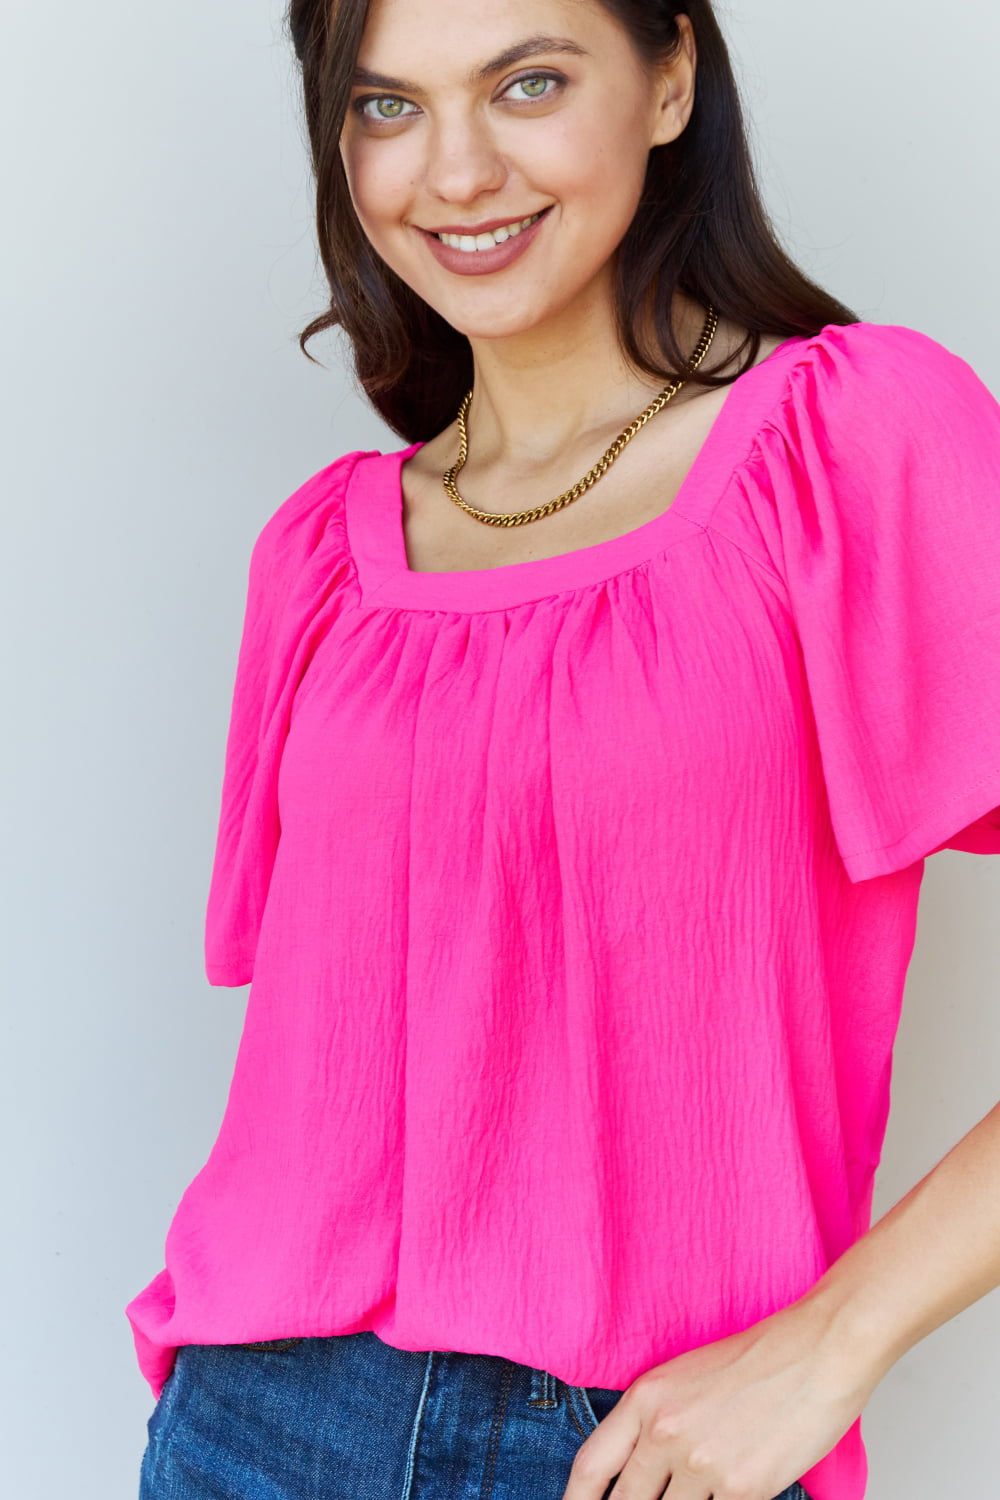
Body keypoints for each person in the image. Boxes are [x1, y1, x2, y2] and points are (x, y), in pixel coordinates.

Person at [126, 2, 1000, 1498]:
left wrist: (833, 1344)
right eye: (386, 108)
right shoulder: (323, 557)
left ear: (669, 81)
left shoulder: (852, 443)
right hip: (253, 1426)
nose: (453, 170)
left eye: (526, 83)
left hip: (640, 1451)